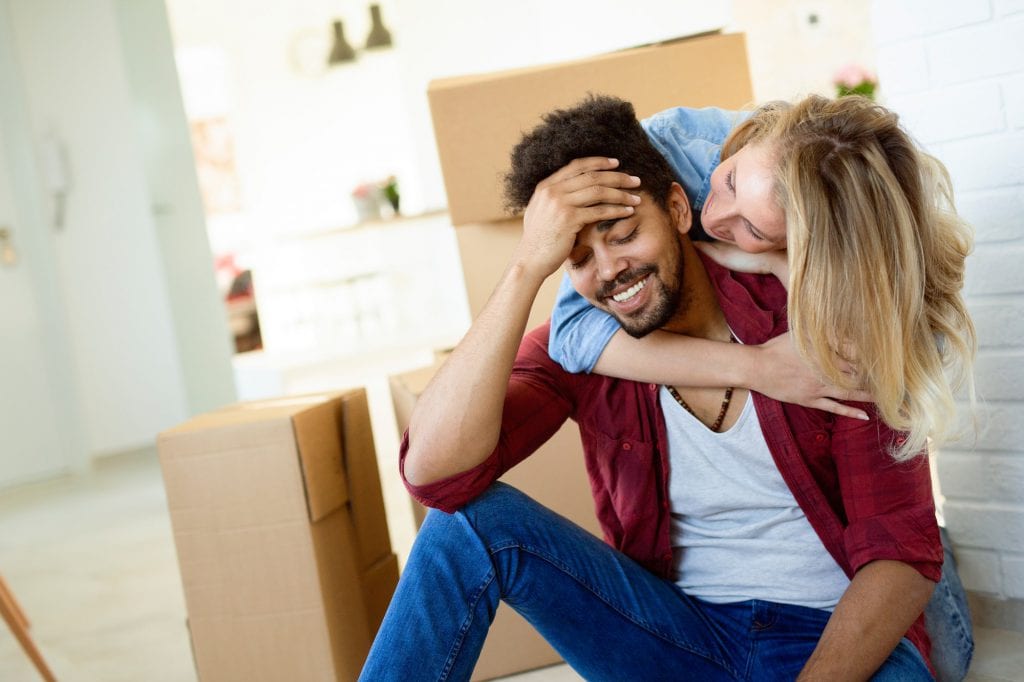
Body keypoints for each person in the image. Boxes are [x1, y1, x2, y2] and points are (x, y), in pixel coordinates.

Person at [360, 95, 943, 681]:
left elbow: (900, 555)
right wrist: (524, 270)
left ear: (677, 208)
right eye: (576, 256)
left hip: (834, 639)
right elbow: (435, 475)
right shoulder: (586, 346)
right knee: (466, 526)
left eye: (623, 233)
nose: (608, 269)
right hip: (679, 637)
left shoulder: (820, 319)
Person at [547, 95, 976, 464]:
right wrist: (757, 368)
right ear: (753, 135)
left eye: (753, 231)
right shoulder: (671, 147)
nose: (712, 217)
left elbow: (886, 360)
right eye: (730, 181)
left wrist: (783, 268)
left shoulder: (854, 253)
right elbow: (570, 334)